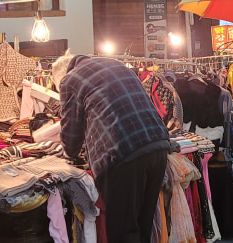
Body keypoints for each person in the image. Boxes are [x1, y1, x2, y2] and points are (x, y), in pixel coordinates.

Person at [57, 55, 170, 243]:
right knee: (143, 226)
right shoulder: (116, 64)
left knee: (124, 232)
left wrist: (69, 153)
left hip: (122, 154)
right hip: (157, 145)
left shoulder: (70, 80)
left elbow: (70, 135)